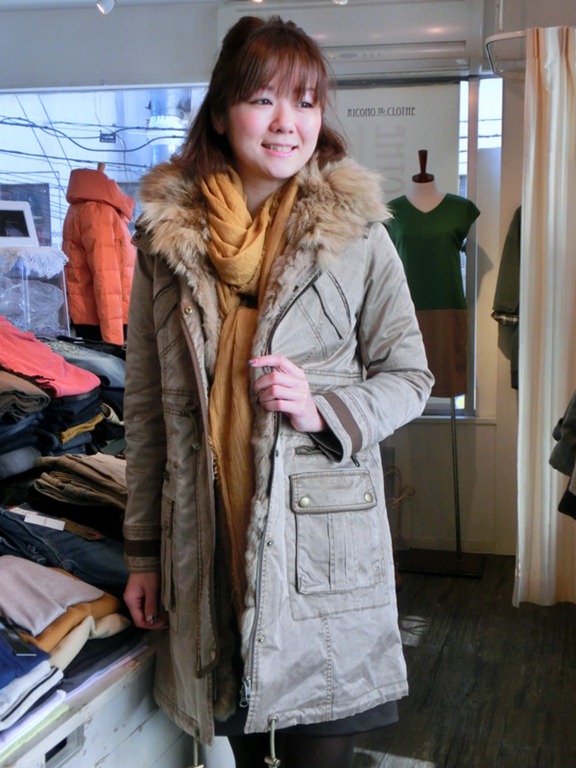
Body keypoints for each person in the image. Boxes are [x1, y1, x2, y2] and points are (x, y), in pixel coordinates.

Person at [122, 15, 433, 768]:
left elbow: (410, 376)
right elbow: (146, 410)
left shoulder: (359, 233)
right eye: (263, 99)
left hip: (321, 558)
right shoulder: (165, 244)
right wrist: (142, 555)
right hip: (207, 552)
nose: (286, 122)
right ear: (222, 113)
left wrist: (325, 408)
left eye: (305, 101)